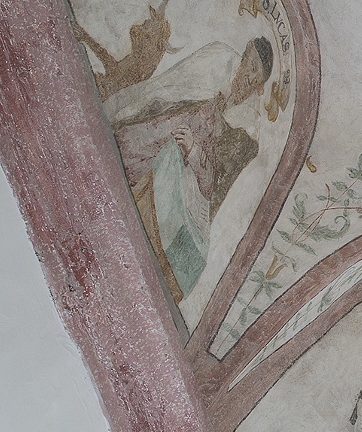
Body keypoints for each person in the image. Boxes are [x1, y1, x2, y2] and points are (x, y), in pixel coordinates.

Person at [102, 36, 273, 305]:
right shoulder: (213, 72)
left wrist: (193, 151)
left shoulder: (245, 133)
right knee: (136, 145)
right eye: (248, 66)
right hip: (157, 135)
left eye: (255, 76)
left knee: (166, 168)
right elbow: (170, 91)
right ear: (240, 61)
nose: (248, 77)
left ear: (260, 88)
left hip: (186, 179)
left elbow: (213, 184)